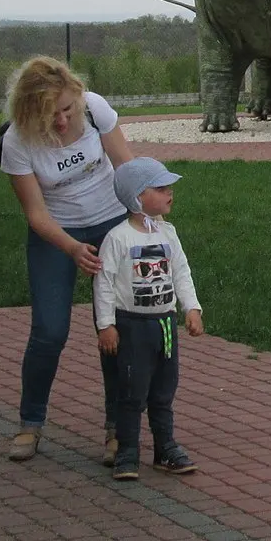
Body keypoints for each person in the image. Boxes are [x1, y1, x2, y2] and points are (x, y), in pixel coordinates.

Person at [0, 56, 135, 462]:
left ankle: (117, 429)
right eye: (48, 114)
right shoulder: (18, 142)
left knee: (113, 327)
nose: (60, 122)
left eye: (66, 110)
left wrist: (142, 223)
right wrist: (72, 248)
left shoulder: (95, 108)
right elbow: (36, 215)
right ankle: (30, 423)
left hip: (111, 222)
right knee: (49, 331)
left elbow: (127, 168)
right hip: (57, 234)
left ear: (78, 97)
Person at [94, 156, 204, 480]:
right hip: (132, 326)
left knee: (163, 390)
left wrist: (192, 308)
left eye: (169, 187)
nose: (170, 192)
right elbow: (104, 284)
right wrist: (106, 325)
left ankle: (165, 447)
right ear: (138, 196)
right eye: (161, 188)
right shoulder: (118, 239)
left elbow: (181, 272)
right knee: (132, 390)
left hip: (164, 324)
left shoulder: (168, 234)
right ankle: (127, 450)